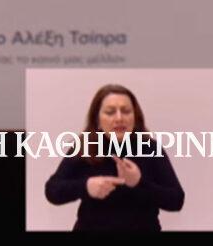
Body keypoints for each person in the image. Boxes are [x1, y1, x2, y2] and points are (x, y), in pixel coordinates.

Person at [44, 84, 185, 231]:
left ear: (135, 117)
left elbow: (177, 200)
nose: (119, 118)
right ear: (97, 120)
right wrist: (86, 186)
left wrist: (138, 183)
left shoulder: (150, 148)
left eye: (126, 111)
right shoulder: (85, 146)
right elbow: (52, 190)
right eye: (110, 112)